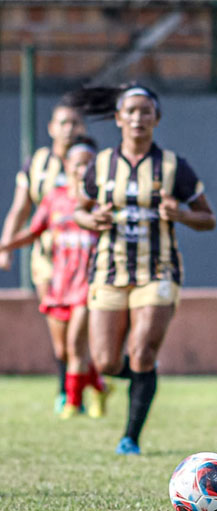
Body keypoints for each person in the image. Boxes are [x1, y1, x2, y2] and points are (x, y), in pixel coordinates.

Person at [68, 83, 216, 455]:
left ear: (156, 118)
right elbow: (79, 212)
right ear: (118, 119)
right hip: (108, 272)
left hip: (158, 271)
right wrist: (92, 218)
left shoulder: (172, 166)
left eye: (145, 111)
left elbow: (208, 218)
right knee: (104, 361)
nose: (137, 117)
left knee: (143, 353)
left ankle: (130, 437)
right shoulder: (101, 165)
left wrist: (181, 213)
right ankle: (142, 381)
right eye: (130, 111)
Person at [0, 135, 111, 419]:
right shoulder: (54, 198)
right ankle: (98, 386)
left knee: (76, 344)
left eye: (88, 164)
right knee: (63, 350)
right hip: (60, 282)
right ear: (67, 165)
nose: (81, 169)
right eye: (77, 164)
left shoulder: (104, 200)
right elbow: (35, 231)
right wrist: (6, 245)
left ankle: (72, 404)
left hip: (90, 283)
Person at [0, 99, 86, 414]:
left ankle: (80, 389)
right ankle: (66, 388)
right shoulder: (37, 163)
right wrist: (5, 247)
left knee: (82, 331)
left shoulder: (92, 162)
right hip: (48, 260)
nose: (69, 129)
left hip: (85, 259)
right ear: (51, 128)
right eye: (63, 122)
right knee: (59, 331)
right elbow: (20, 209)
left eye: (75, 123)